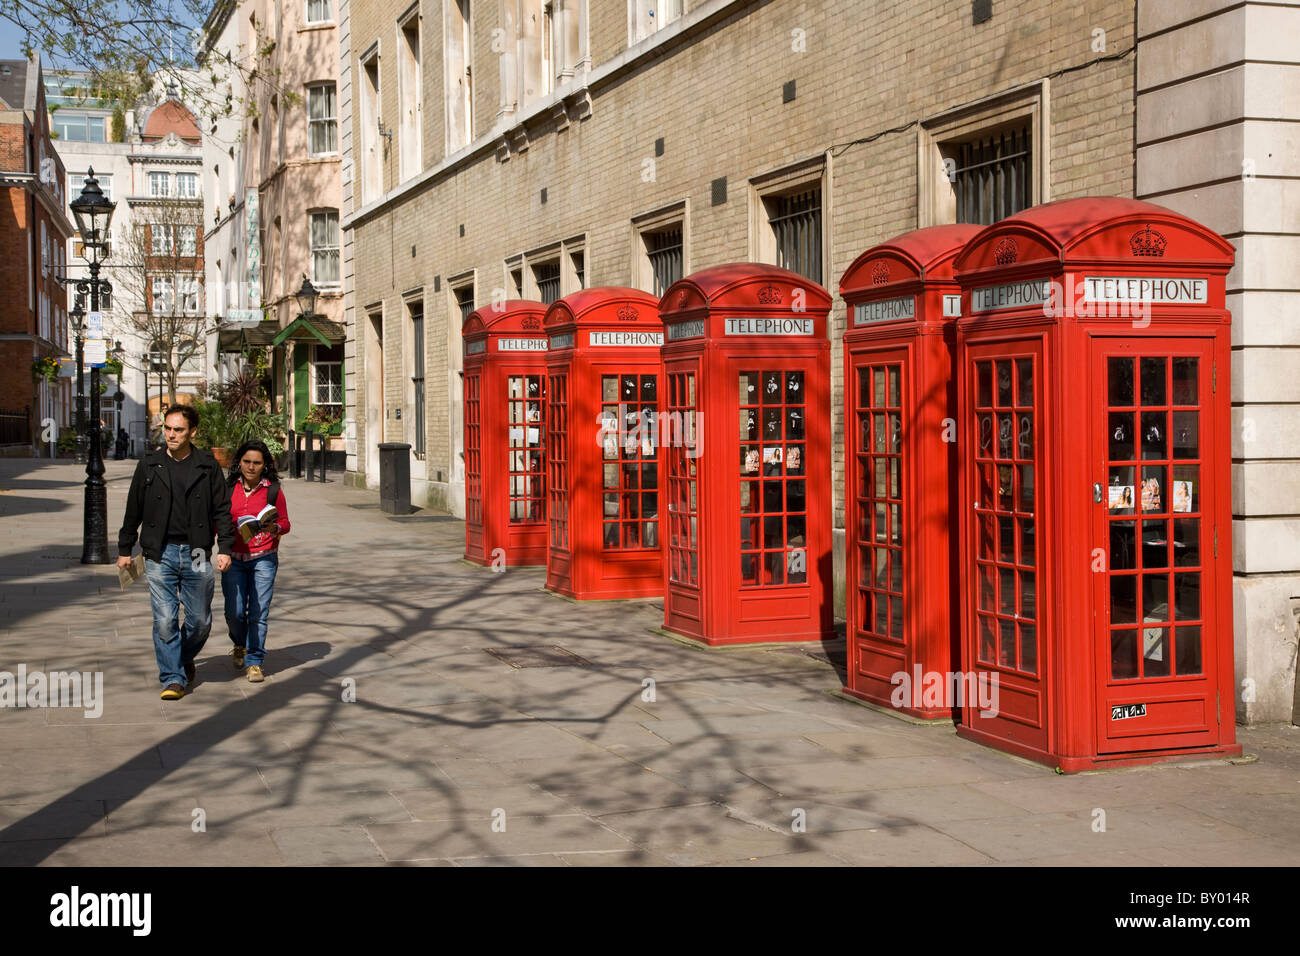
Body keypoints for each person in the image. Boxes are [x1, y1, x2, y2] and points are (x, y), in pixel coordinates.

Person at [117, 405, 234, 700]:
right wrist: (124, 548)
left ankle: (180, 658)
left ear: (192, 432)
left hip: (196, 551)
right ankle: (173, 678)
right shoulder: (149, 464)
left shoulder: (207, 466)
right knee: (166, 619)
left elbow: (222, 510)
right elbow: (134, 509)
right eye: (167, 428)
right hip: (159, 552)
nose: (170, 434)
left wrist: (225, 548)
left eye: (178, 429)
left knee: (200, 621)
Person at [222, 440, 290, 683]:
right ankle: (239, 643)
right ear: (239, 462)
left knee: (258, 612)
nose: (251, 467)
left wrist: (275, 527)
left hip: (264, 557)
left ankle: (255, 661)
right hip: (234, 558)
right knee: (235, 611)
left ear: (265, 466)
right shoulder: (228, 488)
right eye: (247, 461)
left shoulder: (272, 490)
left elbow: (286, 523)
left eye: (256, 463)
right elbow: (217, 520)